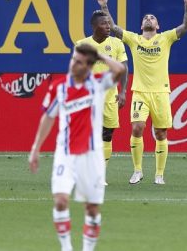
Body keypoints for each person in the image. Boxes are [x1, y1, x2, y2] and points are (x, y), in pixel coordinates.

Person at [28, 44, 125, 251]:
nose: (73, 64)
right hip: (65, 154)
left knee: (91, 209)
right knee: (61, 201)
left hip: (92, 156)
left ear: (88, 66)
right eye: (73, 59)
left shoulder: (98, 84)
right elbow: (48, 117)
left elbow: (120, 70)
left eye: (79, 62)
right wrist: (35, 148)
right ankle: (66, 248)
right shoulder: (59, 87)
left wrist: (98, 55)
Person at [98, 0, 187, 185]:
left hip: (160, 92)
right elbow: (113, 28)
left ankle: (159, 174)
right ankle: (137, 171)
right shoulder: (134, 39)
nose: (148, 19)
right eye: (146, 18)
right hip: (140, 91)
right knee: (137, 128)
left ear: (157, 25)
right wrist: (104, 5)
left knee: (160, 133)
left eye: (152, 18)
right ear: (142, 25)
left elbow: (186, 26)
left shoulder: (165, 38)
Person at [76, 10, 128, 180]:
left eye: (108, 23)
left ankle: (100, 174)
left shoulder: (117, 44)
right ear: (94, 26)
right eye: (104, 24)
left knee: (107, 134)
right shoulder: (82, 44)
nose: (108, 26)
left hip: (110, 97)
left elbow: (124, 68)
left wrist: (122, 91)